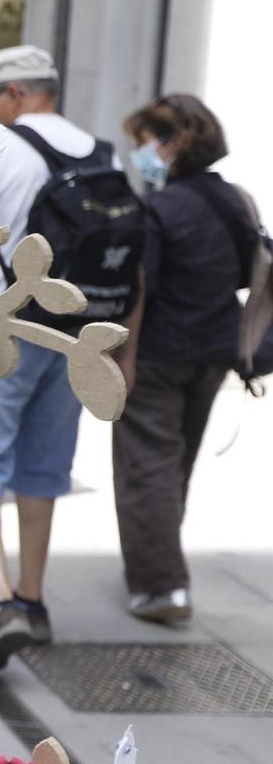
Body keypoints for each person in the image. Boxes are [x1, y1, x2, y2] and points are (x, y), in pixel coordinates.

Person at [0, 45, 120, 672]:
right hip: (81, 333)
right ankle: (34, 597)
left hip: (10, 329)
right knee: (45, 467)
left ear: (17, 93)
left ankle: (2, 607)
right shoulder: (103, 152)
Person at [111, 95, 244, 626]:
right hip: (215, 352)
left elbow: (141, 288)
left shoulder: (160, 208)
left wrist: (126, 357)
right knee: (174, 466)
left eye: (142, 141)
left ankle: (161, 586)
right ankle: (157, 562)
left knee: (147, 467)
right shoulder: (238, 201)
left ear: (168, 144)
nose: (137, 152)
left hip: (161, 353)